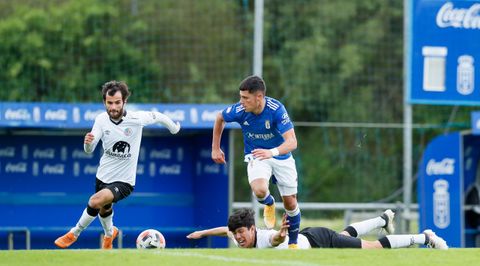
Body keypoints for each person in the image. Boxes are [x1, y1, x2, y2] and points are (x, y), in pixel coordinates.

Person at [54, 80, 181, 249]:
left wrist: (174, 128)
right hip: (102, 177)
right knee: (104, 209)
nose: (113, 107)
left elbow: (158, 117)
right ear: (104, 102)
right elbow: (89, 149)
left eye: (117, 103)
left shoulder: (137, 119)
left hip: (124, 182)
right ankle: (109, 235)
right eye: (109, 103)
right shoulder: (101, 120)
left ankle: (73, 233)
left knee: (94, 201)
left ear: (124, 102)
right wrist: (87, 143)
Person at [211, 75, 301, 248]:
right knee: (259, 190)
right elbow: (219, 118)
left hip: (281, 156)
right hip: (257, 155)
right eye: (240, 97)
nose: (241, 101)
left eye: (245, 98)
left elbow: (292, 142)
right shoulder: (240, 110)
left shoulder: (276, 110)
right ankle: (269, 203)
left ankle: (293, 244)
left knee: (290, 203)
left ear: (259, 97)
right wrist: (215, 148)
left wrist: (272, 152)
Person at [187, 208, 448, 250]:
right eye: (237, 234)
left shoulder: (264, 236)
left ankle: (424, 237)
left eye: (242, 232)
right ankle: (382, 220)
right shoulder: (238, 235)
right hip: (311, 237)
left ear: (252, 229)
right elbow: (226, 230)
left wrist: (280, 234)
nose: (239, 237)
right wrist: (202, 233)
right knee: (344, 236)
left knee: (372, 248)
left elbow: (277, 239)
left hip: (317, 240)